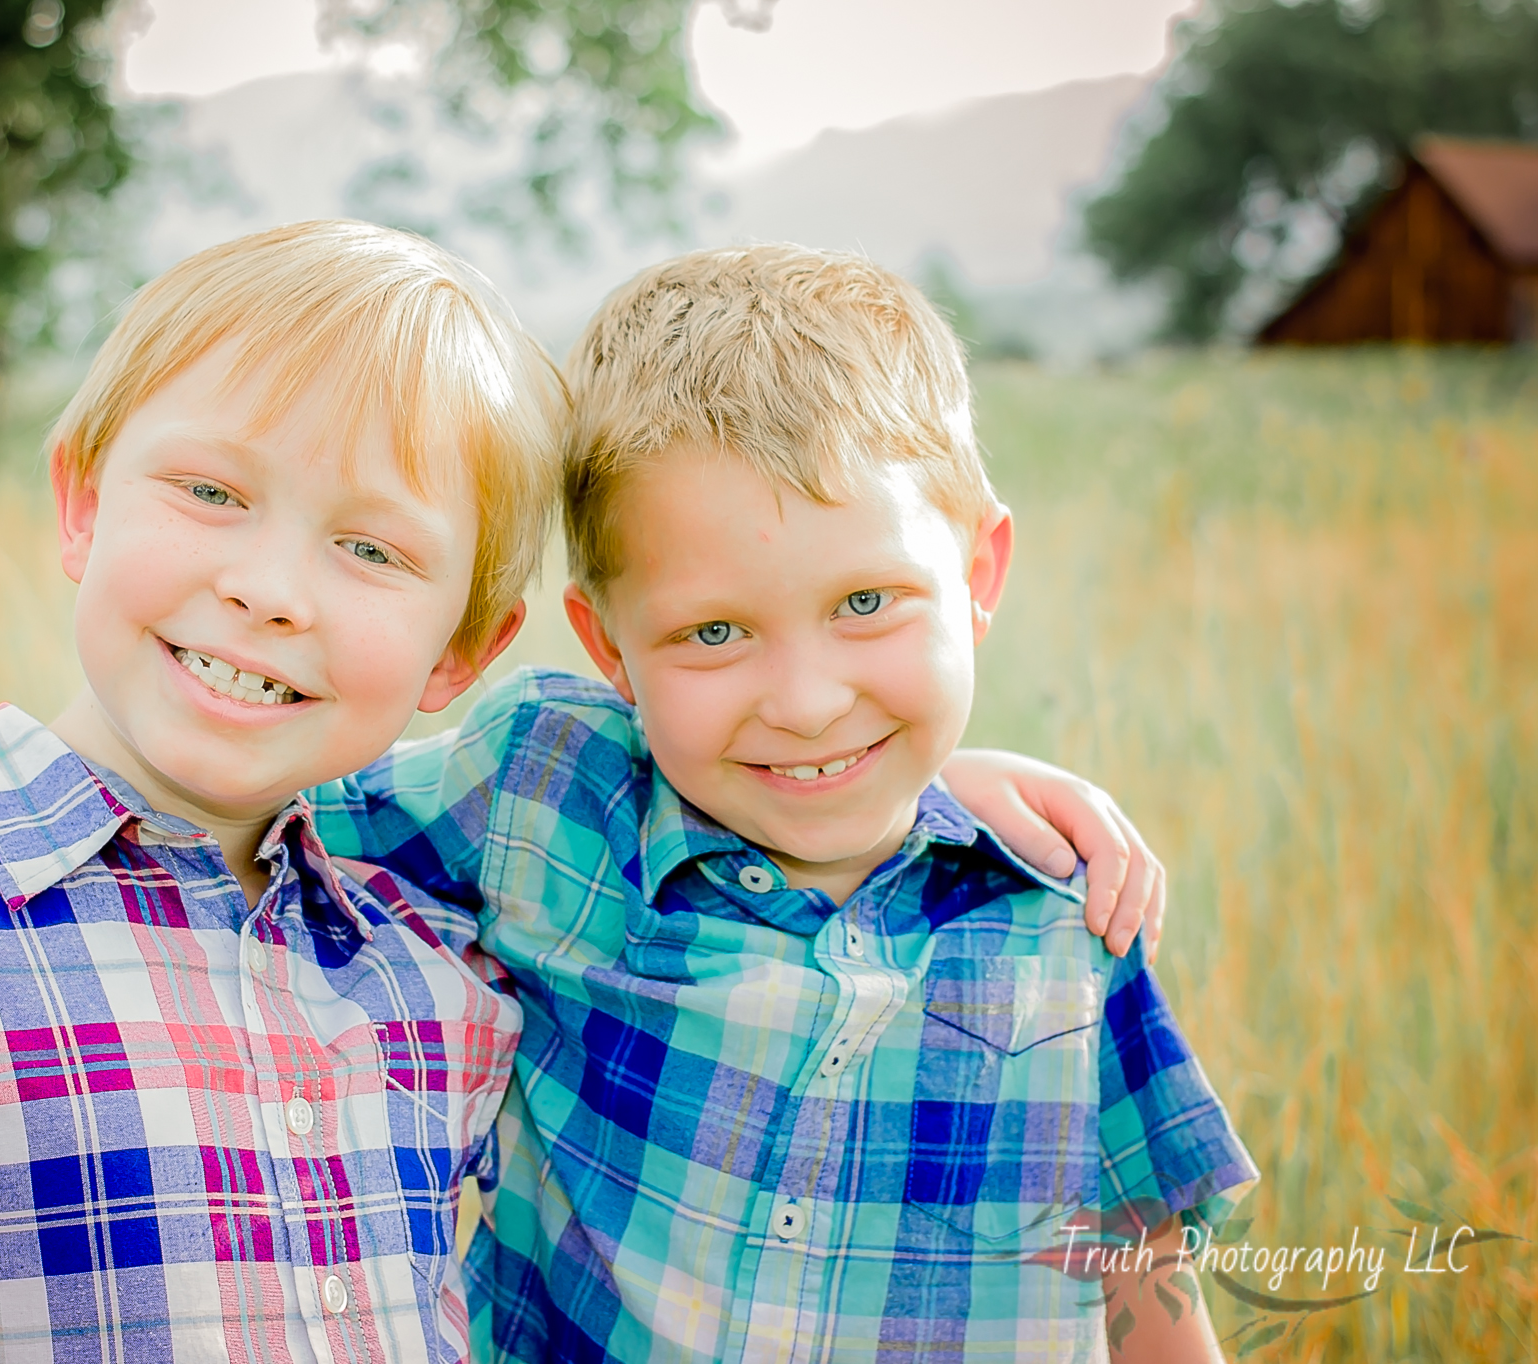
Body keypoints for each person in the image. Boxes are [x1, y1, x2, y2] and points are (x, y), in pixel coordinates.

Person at [0, 222, 1168, 1364]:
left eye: (371, 548)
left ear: (461, 650)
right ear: (78, 498)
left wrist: (927, 784)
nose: (268, 591)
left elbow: (762, 754)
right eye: (212, 492)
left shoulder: (422, 960)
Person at [310, 244, 1257, 1363]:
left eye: (865, 602)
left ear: (979, 577)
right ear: (609, 645)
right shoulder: (544, 794)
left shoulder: (1059, 917)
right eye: (713, 632)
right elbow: (252, 827)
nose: (806, 705)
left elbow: (1141, 1284)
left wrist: (926, 782)